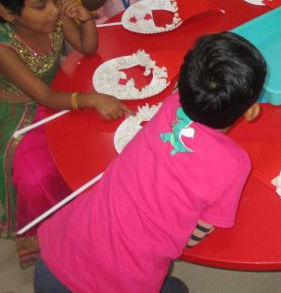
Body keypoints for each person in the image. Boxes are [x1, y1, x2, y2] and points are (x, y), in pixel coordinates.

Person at [35, 31, 267, 292]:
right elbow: (195, 235)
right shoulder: (235, 164)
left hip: (54, 261)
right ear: (251, 110)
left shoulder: (171, 104)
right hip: (122, 284)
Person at [0, 0, 131, 268]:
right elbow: (44, 96)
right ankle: (43, 233)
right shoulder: (4, 48)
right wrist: (91, 100)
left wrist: (84, 18)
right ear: (7, 12)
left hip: (57, 96)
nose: (53, 11)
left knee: (92, 146)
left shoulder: (55, 19)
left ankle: (86, 213)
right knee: (36, 175)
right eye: (40, 5)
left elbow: (88, 48)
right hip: (19, 113)